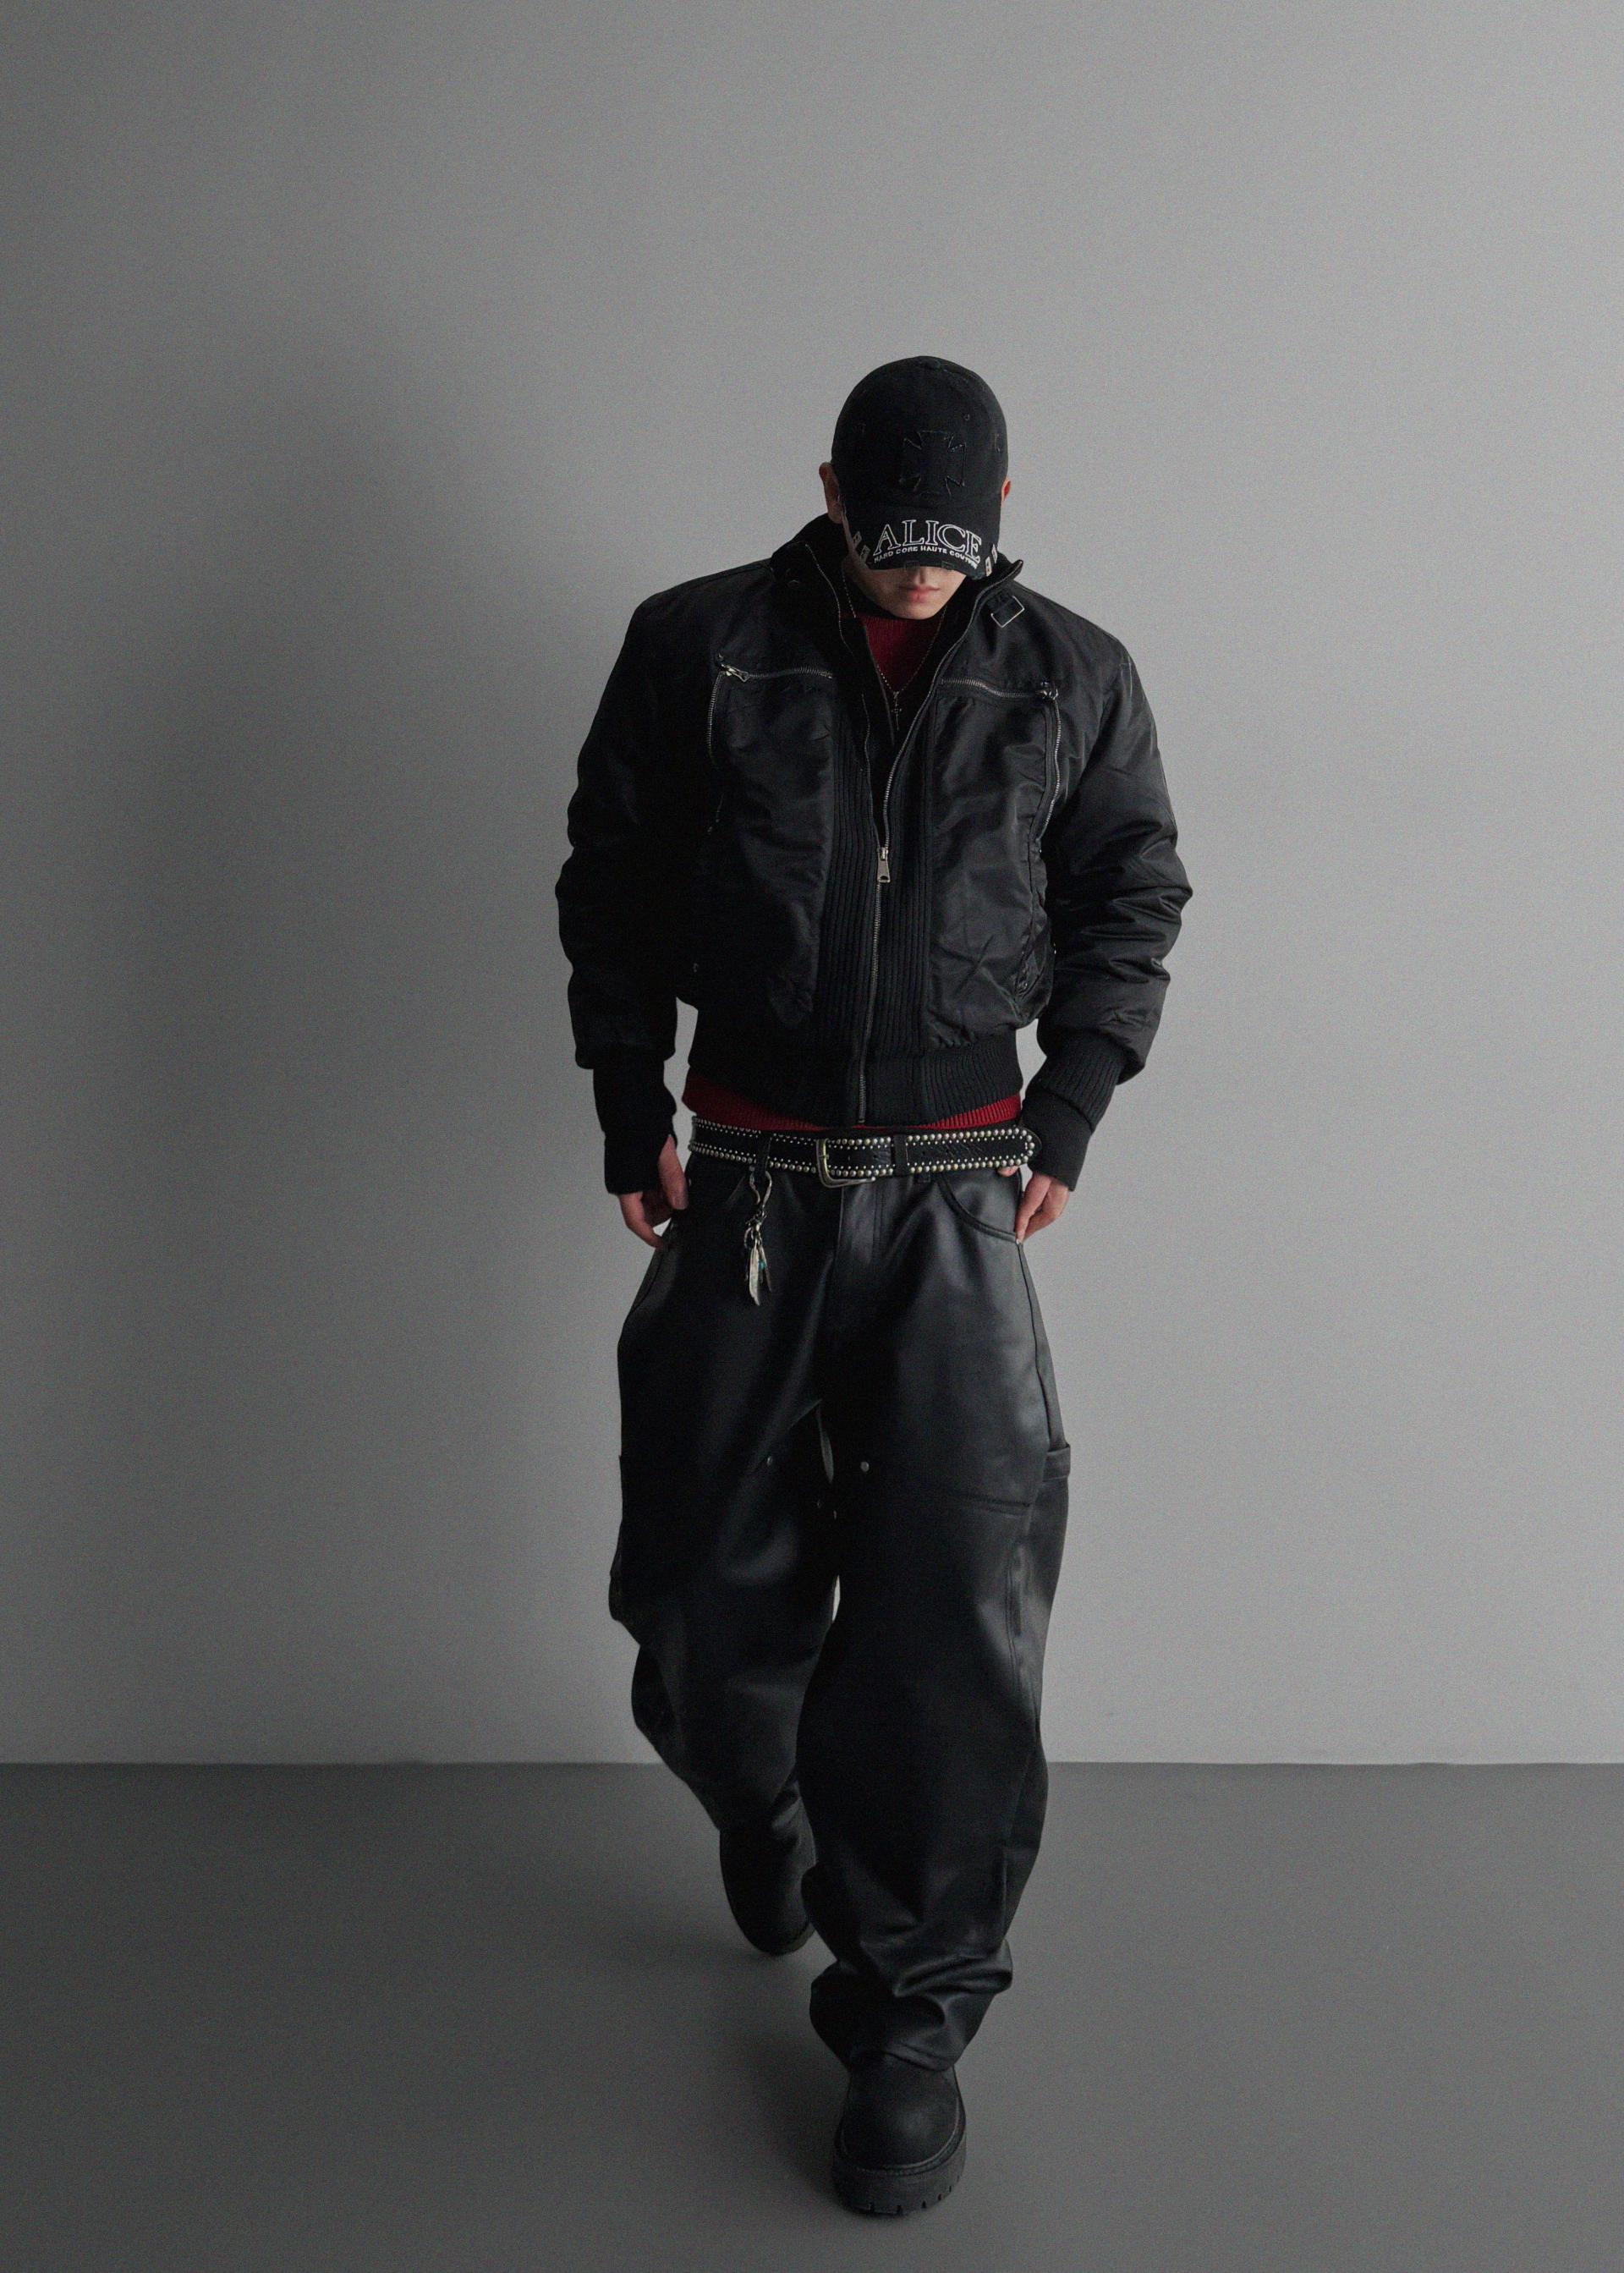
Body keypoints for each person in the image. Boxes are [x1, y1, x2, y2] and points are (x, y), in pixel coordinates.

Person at [554, 354, 1191, 2215]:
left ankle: (910, 2016)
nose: (916, 574)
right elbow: (613, 877)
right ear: (827, 491)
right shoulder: (699, 646)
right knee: (692, 1593)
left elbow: (1132, 892)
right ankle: (764, 1803)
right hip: (746, 1190)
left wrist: (1072, 1103)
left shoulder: (1071, 673)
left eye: (948, 549)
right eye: (885, 538)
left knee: (950, 1618)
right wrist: (626, 1102)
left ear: (1000, 519)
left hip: (955, 1201)